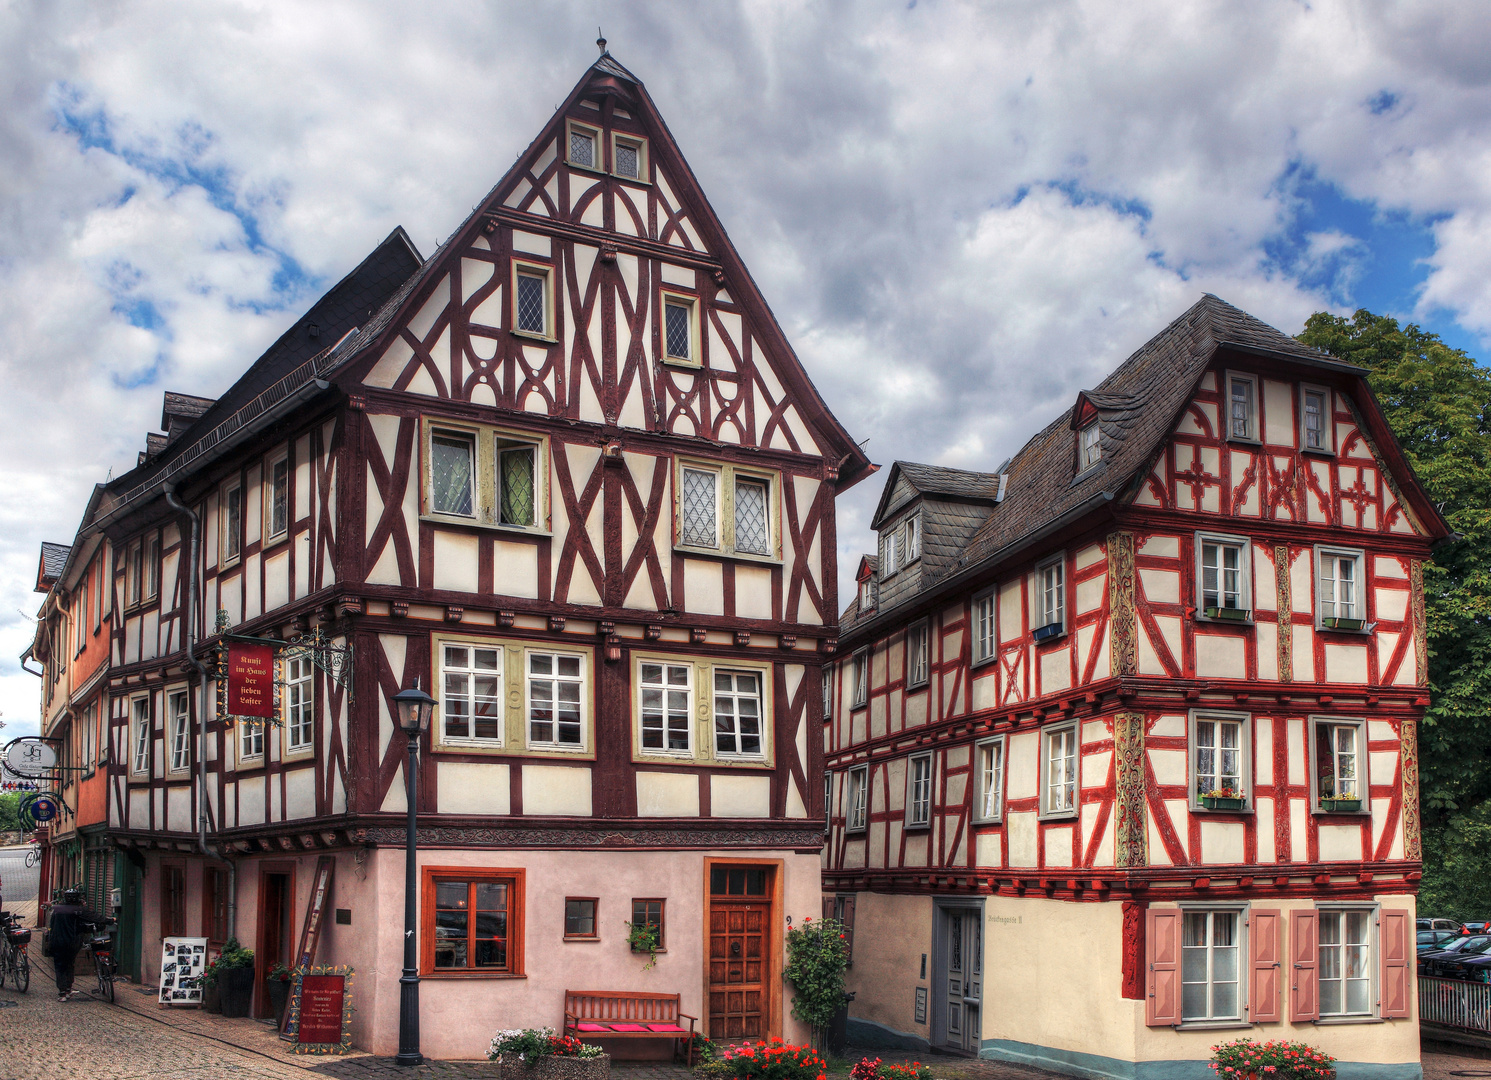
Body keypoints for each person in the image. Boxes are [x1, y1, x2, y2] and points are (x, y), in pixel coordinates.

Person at [47, 887, 106, 1001]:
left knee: (60, 966)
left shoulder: (58, 909)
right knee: (70, 964)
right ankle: (68, 988)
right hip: (72, 943)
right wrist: (109, 920)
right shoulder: (78, 910)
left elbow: (52, 925)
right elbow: (93, 917)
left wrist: (50, 939)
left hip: (58, 942)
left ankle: (63, 992)